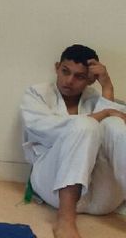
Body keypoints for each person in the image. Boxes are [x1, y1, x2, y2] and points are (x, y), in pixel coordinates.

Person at [21, 44, 126, 238]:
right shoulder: (37, 94)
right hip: (53, 187)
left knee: (115, 124)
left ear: (90, 80)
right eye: (65, 71)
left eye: (80, 77)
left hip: (102, 200)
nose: (69, 81)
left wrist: (107, 86)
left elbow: (114, 125)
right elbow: (45, 129)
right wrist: (100, 115)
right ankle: (65, 222)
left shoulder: (94, 98)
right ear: (57, 67)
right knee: (84, 125)